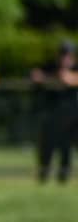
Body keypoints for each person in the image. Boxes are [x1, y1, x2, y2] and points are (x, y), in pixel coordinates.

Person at [30, 40, 78, 183]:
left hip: (72, 117)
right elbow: (36, 75)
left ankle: (63, 177)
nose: (65, 58)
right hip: (52, 116)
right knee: (46, 148)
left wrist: (67, 78)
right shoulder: (51, 67)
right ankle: (43, 177)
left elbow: (69, 79)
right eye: (63, 55)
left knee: (66, 148)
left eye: (68, 55)